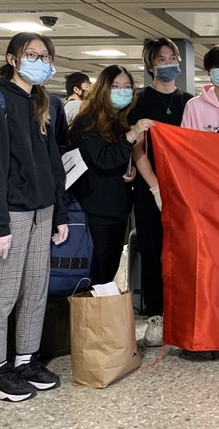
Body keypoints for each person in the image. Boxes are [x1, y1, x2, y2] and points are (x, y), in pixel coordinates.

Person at [0, 32, 69, 402]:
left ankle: (25, 359)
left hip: (42, 210)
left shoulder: (40, 101)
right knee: (2, 291)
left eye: (46, 56)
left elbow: (53, 164)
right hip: (10, 213)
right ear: (12, 59)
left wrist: (59, 213)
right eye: (32, 55)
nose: (40, 62)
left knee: (35, 289)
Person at [128, 37, 194, 346]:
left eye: (172, 58)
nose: (168, 64)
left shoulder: (189, 102)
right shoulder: (140, 101)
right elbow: (138, 149)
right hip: (149, 188)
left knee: (184, 250)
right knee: (153, 250)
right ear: (150, 66)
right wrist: (155, 186)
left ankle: (183, 311)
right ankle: (157, 315)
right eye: (161, 59)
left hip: (184, 189)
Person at [70, 65, 153, 286]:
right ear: (103, 89)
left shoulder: (118, 121)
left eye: (127, 87)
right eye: (115, 86)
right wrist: (132, 135)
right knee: (96, 273)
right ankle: (91, 309)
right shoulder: (87, 122)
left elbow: (117, 158)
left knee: (108, 272)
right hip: (96, 212)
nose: (122, 91)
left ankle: (101, 308)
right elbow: (103, 159)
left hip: (118, 210)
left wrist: (129, 170)